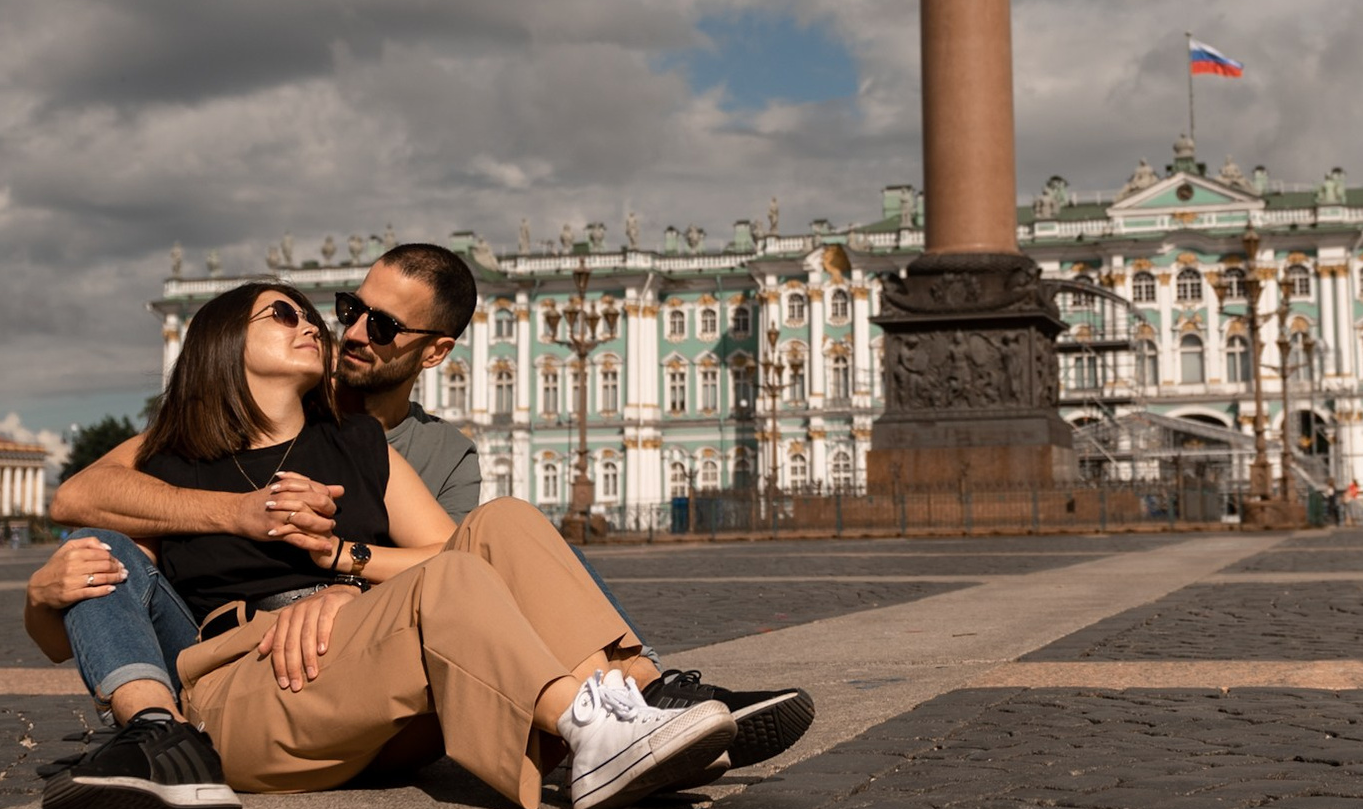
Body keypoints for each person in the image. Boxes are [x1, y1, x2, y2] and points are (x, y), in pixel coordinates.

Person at [52, 242, 813, 772]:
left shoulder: (378, 446)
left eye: (374, 325)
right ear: (222, 346)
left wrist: (341, 572)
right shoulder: (187, 442)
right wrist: (238, 517)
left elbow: (471, 560)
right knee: (95, 549)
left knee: (508, 524)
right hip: (265, 660)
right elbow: (86, 503)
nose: (340, 329)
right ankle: (606, 725)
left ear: (434, 351)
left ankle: (639, 697)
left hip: (381, 634)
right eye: (341, 309)